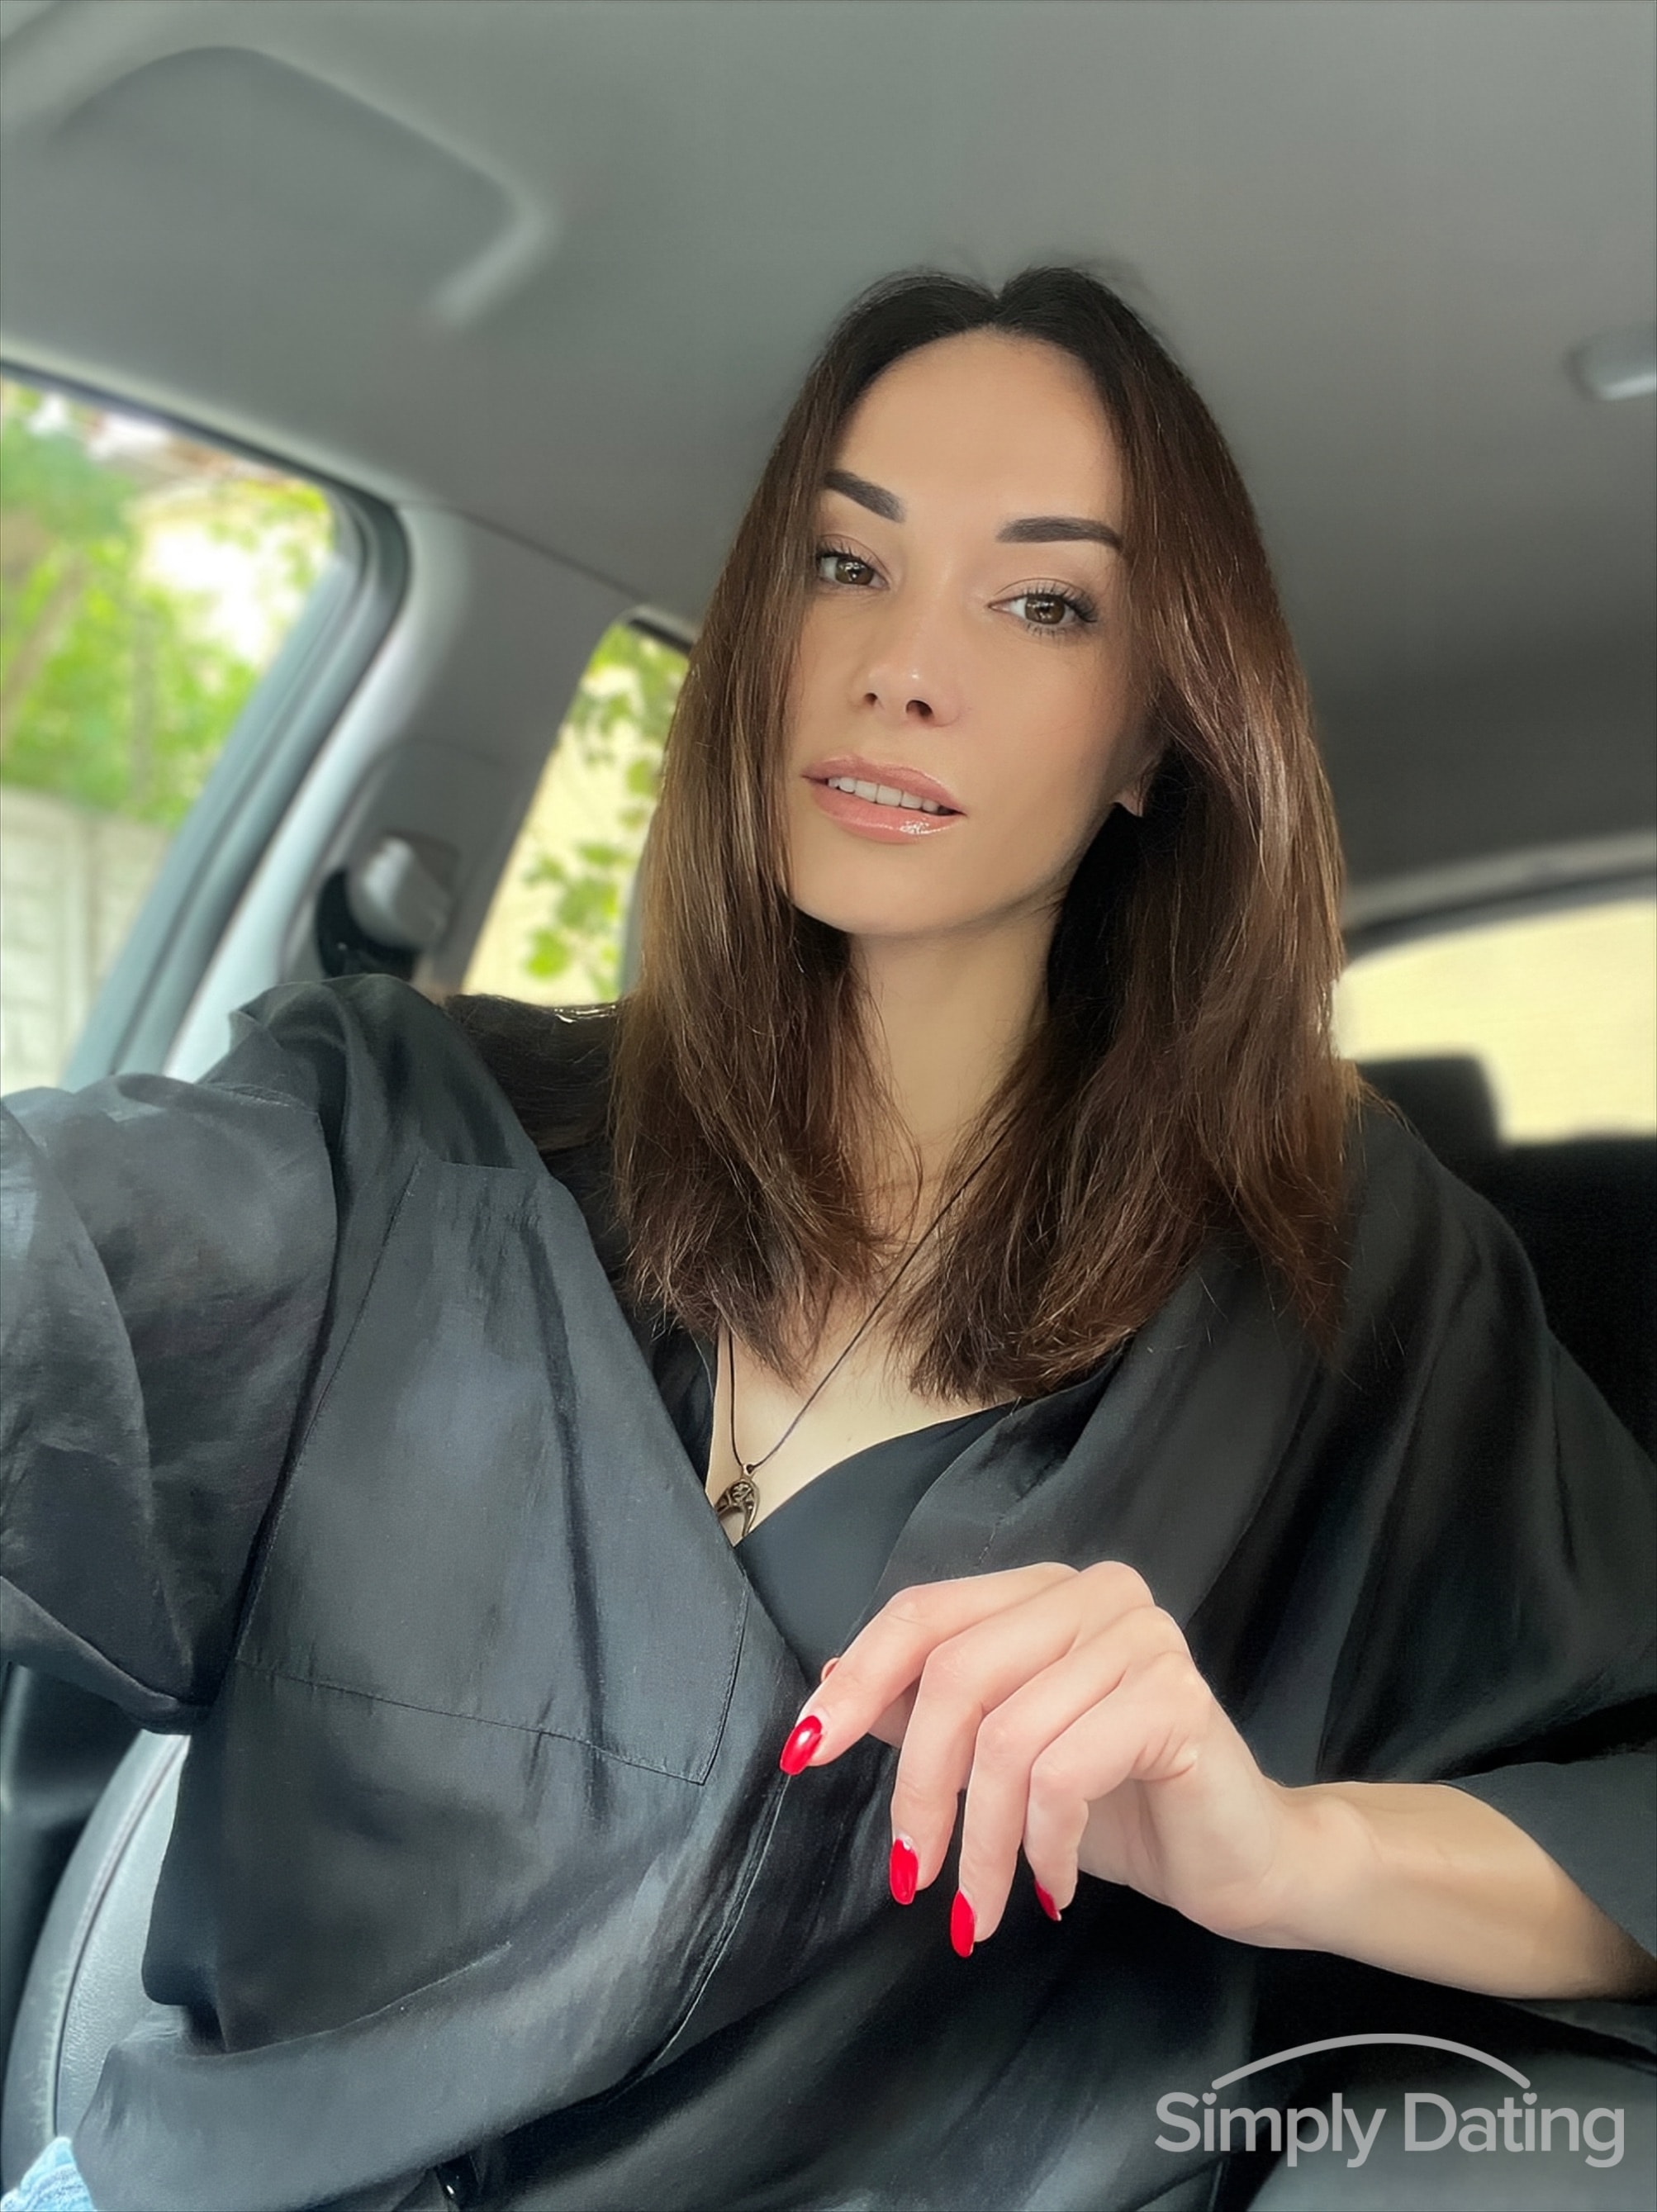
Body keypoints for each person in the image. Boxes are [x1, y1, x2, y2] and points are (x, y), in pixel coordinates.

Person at [1, 267, 1652, 2212]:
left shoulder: (1342, 1273)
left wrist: (1283, 1848)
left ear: (1152, 738)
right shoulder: (394, 1127)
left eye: (1042, 602)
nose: (902, 665)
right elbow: (61, 1267)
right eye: (845, 565)